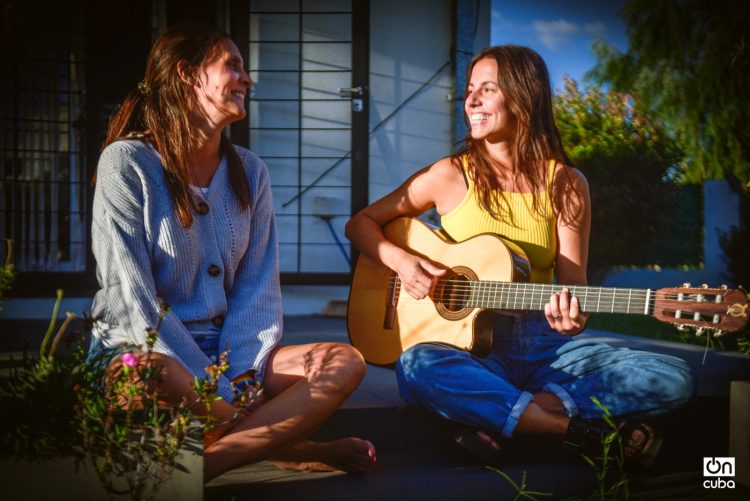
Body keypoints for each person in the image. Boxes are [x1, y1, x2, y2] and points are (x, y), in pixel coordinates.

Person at [345, 45, 693, 467]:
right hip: (473, 353)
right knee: (418, 366)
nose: (470, 100)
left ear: (523, 98)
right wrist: (401, 262)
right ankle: (575, 432)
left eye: (486, 90)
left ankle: (506, 417)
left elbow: (573, 284)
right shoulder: (449, 175)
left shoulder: (566, 183)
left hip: (546, 347)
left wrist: (573, 319)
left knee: (671, 376)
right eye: (470, 89)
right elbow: (361, 223)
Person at [89, 22, 376, 482]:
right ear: (188, 74)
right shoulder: (126, 163)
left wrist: (241, 374)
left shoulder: (250, 172)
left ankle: (203, 468)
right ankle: (288, 444)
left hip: (233, 356)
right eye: (233, 66)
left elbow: (258, 289)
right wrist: (223, 393)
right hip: (149, 352)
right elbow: (131, 302)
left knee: (345, 362)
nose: (247, 78)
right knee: (150, 373)